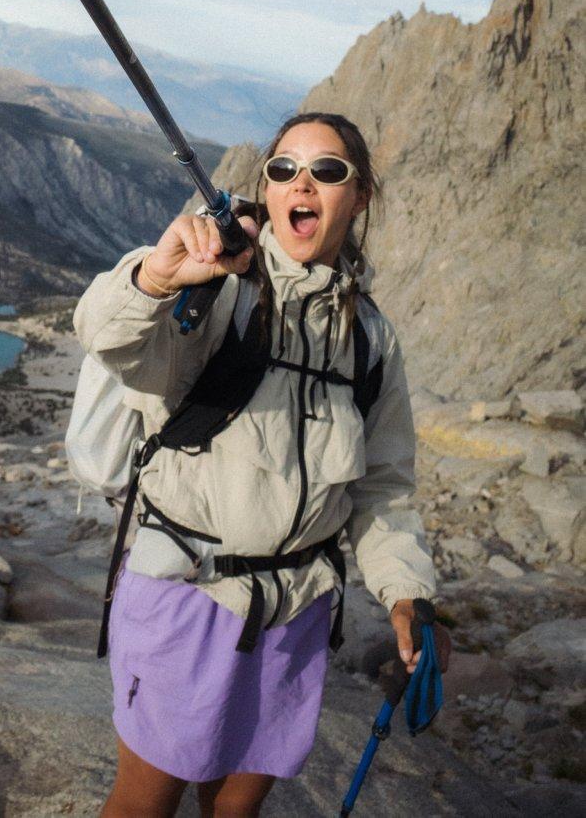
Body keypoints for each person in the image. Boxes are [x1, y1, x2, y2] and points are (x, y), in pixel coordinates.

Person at [74, 112, 451, 817]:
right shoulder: (217, 289)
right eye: (283, 169)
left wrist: (405, 591)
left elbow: (383, 487)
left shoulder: (370, 339)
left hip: (295, 617)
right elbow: (110, 340)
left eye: (327, 171)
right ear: (267, 188)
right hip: (189, 596)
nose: (300, 182)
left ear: (359, 195)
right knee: (142, 808)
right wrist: (155, 279)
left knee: (236, 811)